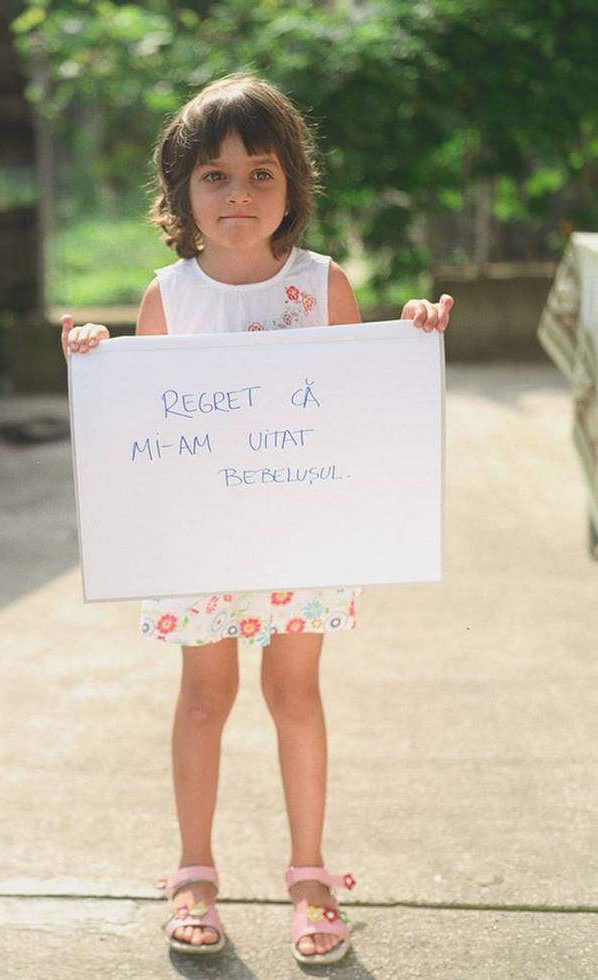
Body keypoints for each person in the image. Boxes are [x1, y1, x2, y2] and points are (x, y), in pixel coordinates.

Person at [61, 72, 452, 966]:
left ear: (293, 189)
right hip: (201, 545)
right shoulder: (168, 296)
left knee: (294, 694)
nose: (238, 194)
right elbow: (141, 423)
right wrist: (96, 355)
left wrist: (415, 334)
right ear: (181, 192)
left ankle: (309, 875)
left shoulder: (324, 285)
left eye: (261, 174)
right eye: (215, 176)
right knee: (204, 698)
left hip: (303, 538)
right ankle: (194, 870)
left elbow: (368, 401)